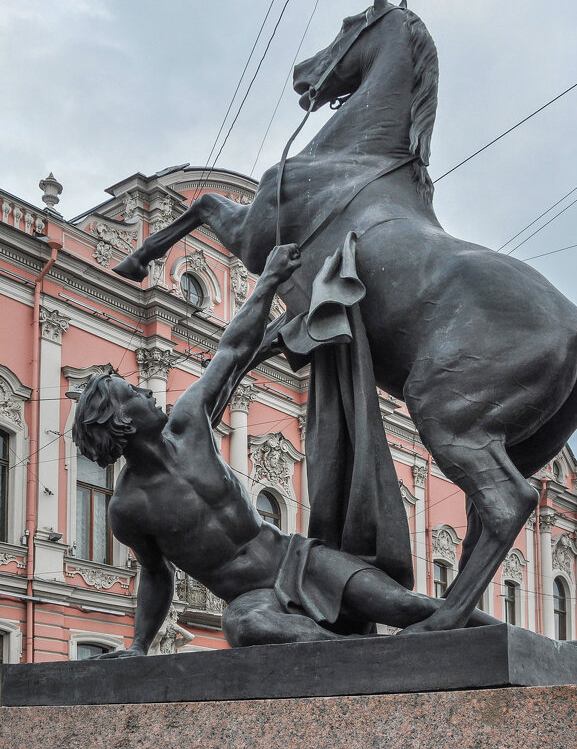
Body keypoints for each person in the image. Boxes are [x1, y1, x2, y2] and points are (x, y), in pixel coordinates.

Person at [72, 243, 498, 653]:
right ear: (122, 420)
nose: (147, 392)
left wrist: (269, 281)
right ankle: (362, 653)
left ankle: (517, 641)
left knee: (404, 605)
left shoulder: (188, 425)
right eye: (133, 392)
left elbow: (233, 349)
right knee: (244, 626)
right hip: (251, 597)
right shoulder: (128, 508)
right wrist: (138, 647)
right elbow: (155, 574)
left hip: (296, 559)